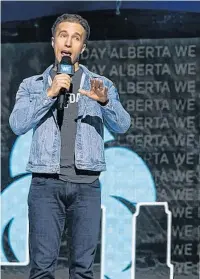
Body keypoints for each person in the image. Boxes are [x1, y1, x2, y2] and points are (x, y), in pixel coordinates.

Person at [9, 14, 130, 278]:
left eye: (76, 38)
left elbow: (123, 125)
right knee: (42, 268)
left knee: (83, 269)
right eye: (63, 35)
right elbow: (17, 124)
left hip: (86, 186)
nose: (68, 42)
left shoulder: (101, 85)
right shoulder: (33, 85)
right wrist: (49, 94)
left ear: (83, 48)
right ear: (53, 42)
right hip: (45, 185)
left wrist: (105, 103)